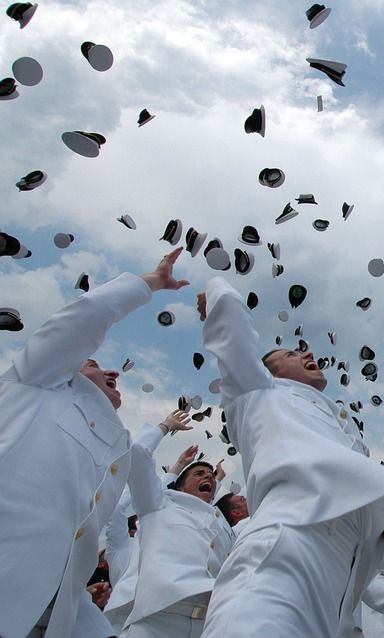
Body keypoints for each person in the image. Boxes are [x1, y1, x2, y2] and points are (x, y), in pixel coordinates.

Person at [197, 276, 384, 637]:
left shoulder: (341, 431)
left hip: (339, 597)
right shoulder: (257, 394)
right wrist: (216, 289)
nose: (306, 354)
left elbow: (353, 525)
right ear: (267, 372)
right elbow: (232, 329)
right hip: (283, 560)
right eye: (290, 354)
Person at [0, 248, 189, 638]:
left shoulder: (116, 445)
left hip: (56, 612)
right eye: (92, 364)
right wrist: (150, 283)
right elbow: (82, 319)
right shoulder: (37, 382)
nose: (112, 371)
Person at [122, 406, 234, 637]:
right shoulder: (159, 504)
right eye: (199, 474)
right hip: (156, 622)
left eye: (211, 476)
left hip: (213, 626)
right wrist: (165, 427)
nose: (208, 477)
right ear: (180, 486)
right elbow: (137, 455)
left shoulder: (222, 524)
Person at [104, 417, 202, 633]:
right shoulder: (120, 549)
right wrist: (138, 486)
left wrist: (178, 468)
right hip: (127, 622)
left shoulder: (166, 542)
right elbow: (120, 509)